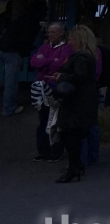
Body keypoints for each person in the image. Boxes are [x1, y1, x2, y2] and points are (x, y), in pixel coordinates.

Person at [53, 25, 99, 183]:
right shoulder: (86, 56)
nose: (69, 41)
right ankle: (76, 165)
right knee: (73, 133)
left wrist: (61, 77)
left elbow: (79, 77)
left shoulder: (81, 58)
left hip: (77, 101)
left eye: (72, 38)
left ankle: (74, 166)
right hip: (83, 101)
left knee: (69, 133)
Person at [29, 22, 70, 161]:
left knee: (55, 121)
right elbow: (33, 62)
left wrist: (44, 61)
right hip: (41, 89)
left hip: (55, 87)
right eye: (49, 32)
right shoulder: (45, 46)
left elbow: (59, 65)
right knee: (43, 119)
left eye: (53, 32)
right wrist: (50, 60)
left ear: (61, 33)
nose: (50, 34)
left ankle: (56, 151)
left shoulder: (66, 48)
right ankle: (43, 151)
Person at [0, 3, 42, 116]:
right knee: (11, 81)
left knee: (9, 80)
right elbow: (25, 41)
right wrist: (26, 50)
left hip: (5, 49)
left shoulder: (22, 19)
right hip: (13, 51)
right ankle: (8, 107)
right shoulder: (32, 23)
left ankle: (8, 105)